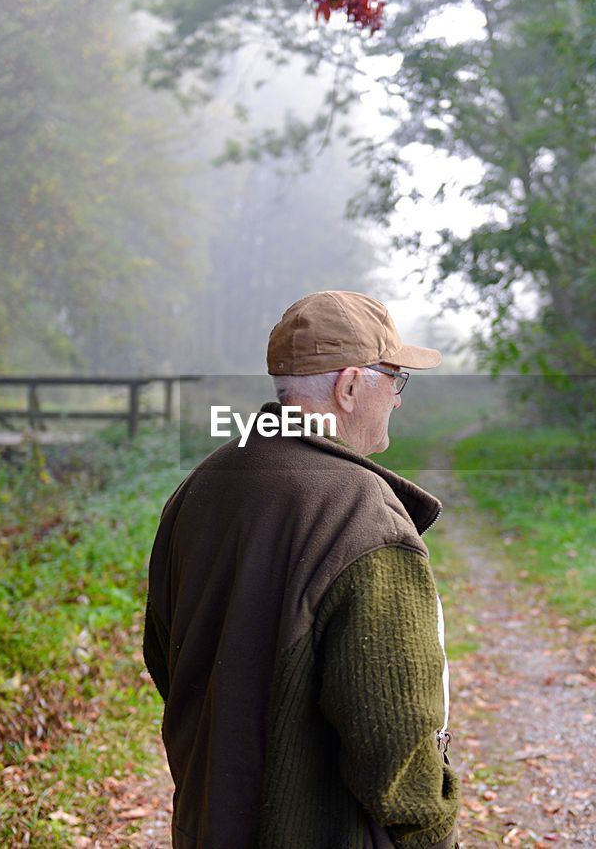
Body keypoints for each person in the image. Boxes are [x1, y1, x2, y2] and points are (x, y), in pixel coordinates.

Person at [143, 291, 460, 848]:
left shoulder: (199, 488)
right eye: (396, 379)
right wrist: (437, 838)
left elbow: (166, 657)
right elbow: (396, 746)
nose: (398, 399)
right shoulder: (362, 515)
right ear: (351, 387)